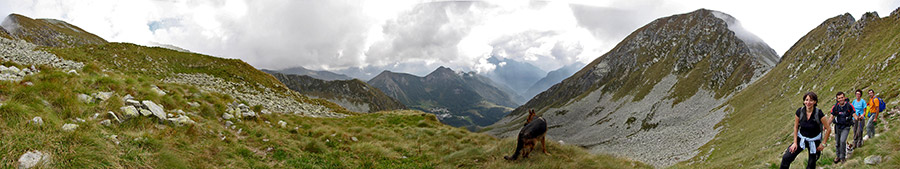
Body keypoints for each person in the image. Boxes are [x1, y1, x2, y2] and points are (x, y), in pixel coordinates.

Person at [781, 92, 831, 169]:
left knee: (811, 165)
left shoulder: (819, 113)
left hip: (814, 141)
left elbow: (828, 129)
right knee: (786, 158)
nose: (808, 102)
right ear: (804, 101)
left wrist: (823, 143)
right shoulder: (800, 111)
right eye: (806, 100)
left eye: (811, 100)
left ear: (815, 102)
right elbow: (796, 127)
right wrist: (794, 143)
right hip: (801, 138)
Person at [829, 92, 855, 163]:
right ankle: (838, 156)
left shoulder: (849, 106)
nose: (841, 99)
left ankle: (842, 157)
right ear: (837, 99)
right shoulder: (835, 107)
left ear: (844, 97)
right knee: (837, 142)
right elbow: (831, 117)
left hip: (846, 126)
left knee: (842, 141)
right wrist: (827, 125)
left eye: (842, 97)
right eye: (839, 98)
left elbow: (853, 113)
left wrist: (857, 118)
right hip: (837, 126)